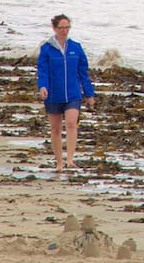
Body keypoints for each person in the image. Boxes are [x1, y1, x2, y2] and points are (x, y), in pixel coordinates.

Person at [35, 14, 95, 170]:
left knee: (71, 123)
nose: (64, 31)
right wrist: (42, 86)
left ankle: (70, 160)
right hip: (53, 94)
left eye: (67, 27)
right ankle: (59, 163)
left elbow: (83, 72)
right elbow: (43, 71)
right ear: (55, 28)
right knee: (55, 129)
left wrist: (89, 94)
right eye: (61, 28)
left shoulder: (76, 47)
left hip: (73, 93)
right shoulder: (47, 48)